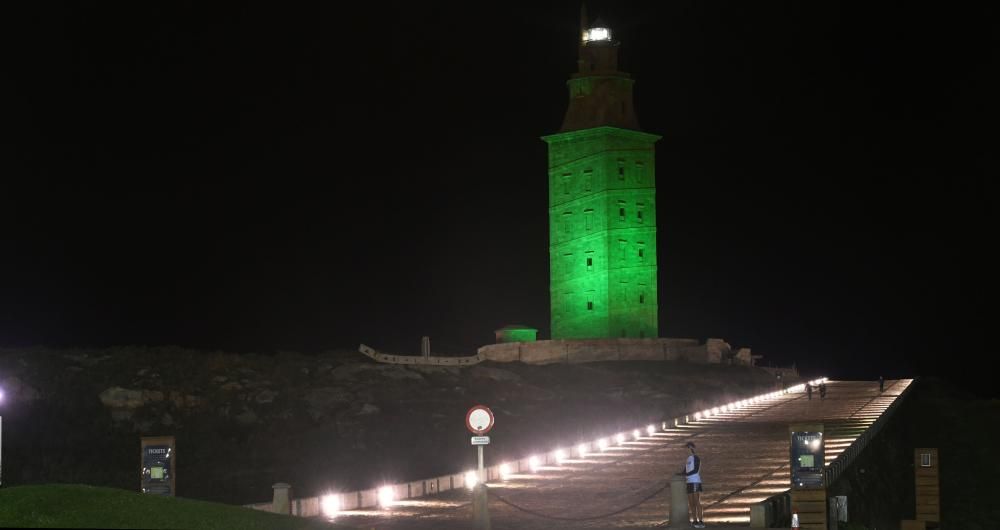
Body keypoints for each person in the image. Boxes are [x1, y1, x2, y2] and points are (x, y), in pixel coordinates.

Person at [682, 441, 705, 528]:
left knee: (697, 502)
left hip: (695, 481)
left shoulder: (696, 458)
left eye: (687, 448)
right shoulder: (688, 459)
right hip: (689, 482)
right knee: (691, 503)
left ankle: (701, 521)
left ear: (691, 448)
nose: (686, 450)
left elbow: (695, 470)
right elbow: (685, 471)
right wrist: (680, 474)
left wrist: (686, 475)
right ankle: (695, 521)